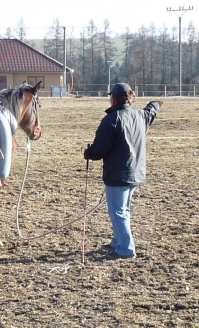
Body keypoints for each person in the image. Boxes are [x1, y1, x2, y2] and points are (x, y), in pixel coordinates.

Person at [84, 83, 162, 259]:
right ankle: (118, 241)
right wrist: (157, 103)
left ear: (116, 98)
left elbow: (100, 149)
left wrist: (89, 153)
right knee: (123, 210)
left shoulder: (112, 119)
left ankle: (126, 249)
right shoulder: (140, 115)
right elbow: (152, 111)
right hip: (136, 173)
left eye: (111, 96)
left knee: (118, 212)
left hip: (118, 174)